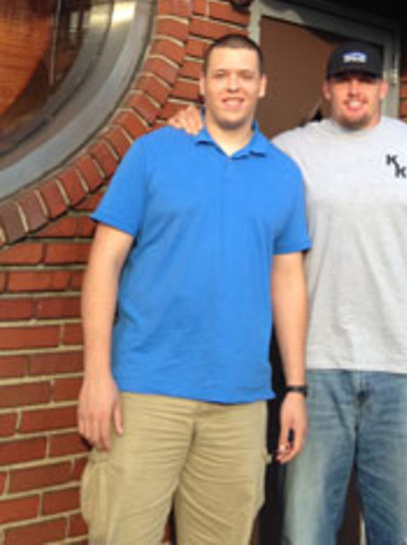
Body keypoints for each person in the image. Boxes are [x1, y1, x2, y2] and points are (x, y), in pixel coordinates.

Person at [77, 33, 310, 545]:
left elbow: (288, 281)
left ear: (262, 86)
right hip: (143, 392)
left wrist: (295, 388)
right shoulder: (153, 154)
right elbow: (105, 262)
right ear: (202, 84)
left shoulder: (284, 174)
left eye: (245, 76)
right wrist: (97, 374)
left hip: (241, 402)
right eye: (221, 75)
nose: (233, 86)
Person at [280, 40, 407, 545]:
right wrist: (188, 121)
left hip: (402, 369)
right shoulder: (290, 151)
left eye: (365, 80)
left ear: (382, 89)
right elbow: (230, 156)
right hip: (317, 366)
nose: (354, 90)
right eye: (344, 81)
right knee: (305, 529)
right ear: (326, 89)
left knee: (405, 529)